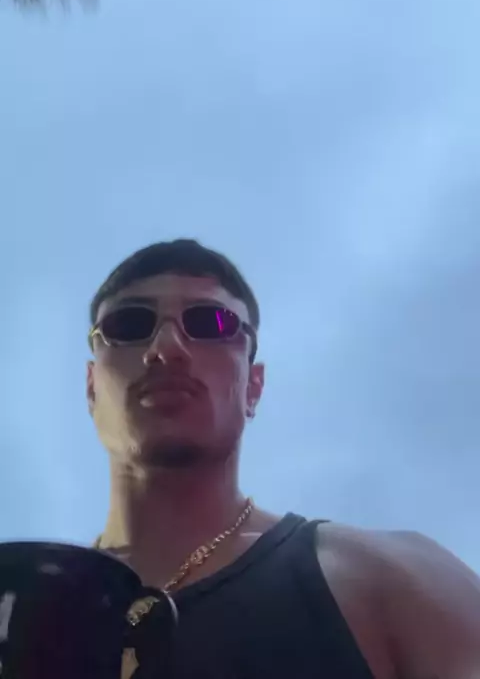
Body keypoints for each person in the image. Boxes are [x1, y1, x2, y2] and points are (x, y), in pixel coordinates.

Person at [88, 238, 480, 678]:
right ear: (90, 386)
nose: (166, 347)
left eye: (212, 322)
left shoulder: (391, 580)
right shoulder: (30, 612)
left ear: (253, 387)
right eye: (128, 324)